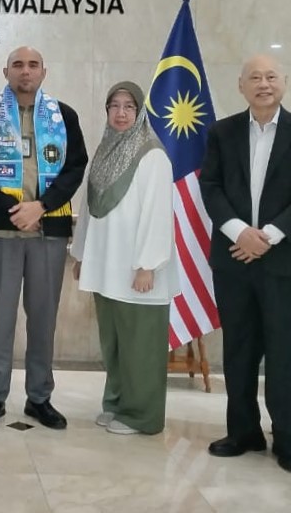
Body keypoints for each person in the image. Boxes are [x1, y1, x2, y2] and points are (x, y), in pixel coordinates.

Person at [200, 54, 291, 474]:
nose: (263, 83)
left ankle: (289, 441)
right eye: (254, 77)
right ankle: (243, 432)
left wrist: (267, 237)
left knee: (285, 353)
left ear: (284, 83)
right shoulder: (222, 132)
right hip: (234, 258)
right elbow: (211, 186)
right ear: (241, 86)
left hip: (284, 260)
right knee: (238, 349)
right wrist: (240, 232)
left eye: (271, 76)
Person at [0, 46, 87, 430]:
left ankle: (40, 397)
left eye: (33, 64)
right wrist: (13, 210)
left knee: (43, 318)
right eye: (18, 65)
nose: (25, 71)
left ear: (44, 71)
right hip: (2, 230)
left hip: (48, 231)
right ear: (6, 71)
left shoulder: (63, 116)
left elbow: (74, 168)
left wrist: (41, 206)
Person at [69, 81, 175, 435]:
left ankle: (140, 415)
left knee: (139, 345)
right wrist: (82, 253)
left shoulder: (152, 154)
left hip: (137, 271)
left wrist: (148, 265)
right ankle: (116, 403)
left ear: (140, 111)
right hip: (106, 266)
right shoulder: (104, 151)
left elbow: (158, 213)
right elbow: (88, 210)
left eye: (129, 106)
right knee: (114, 342)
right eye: (114, 106)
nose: (120, 113)